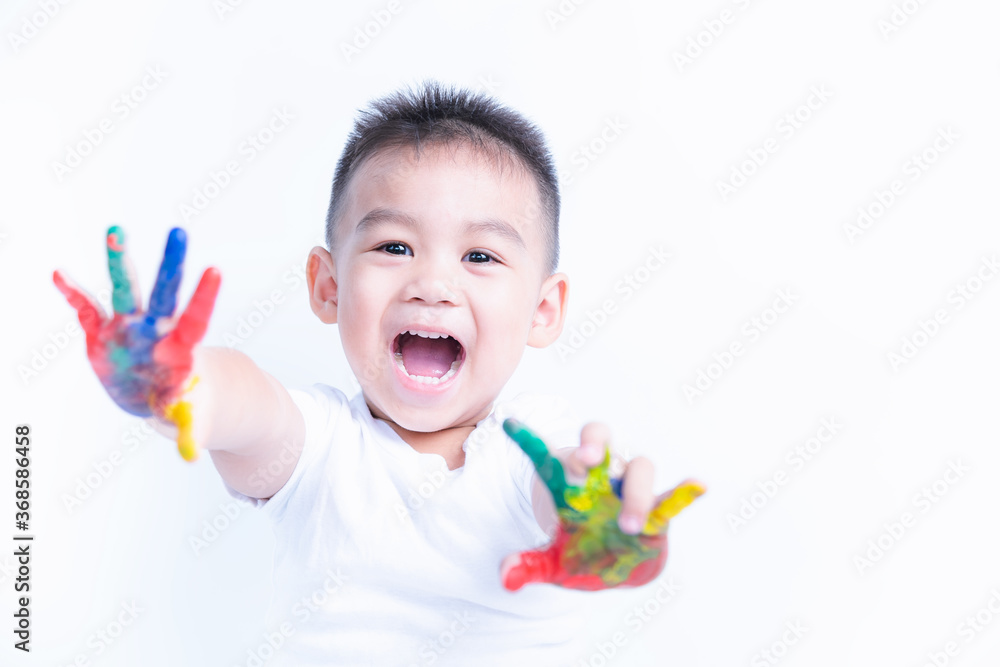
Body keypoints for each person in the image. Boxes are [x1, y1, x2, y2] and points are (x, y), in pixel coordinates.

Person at [53, 79, 698, 665]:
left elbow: (559, 492)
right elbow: (249, 408)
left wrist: (607, 526)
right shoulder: (319, 446)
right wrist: (179, 383)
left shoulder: (532, 445)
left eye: (480, 254)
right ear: (329, 286)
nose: (434, 283)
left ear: (543, 309)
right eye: (394, 246)